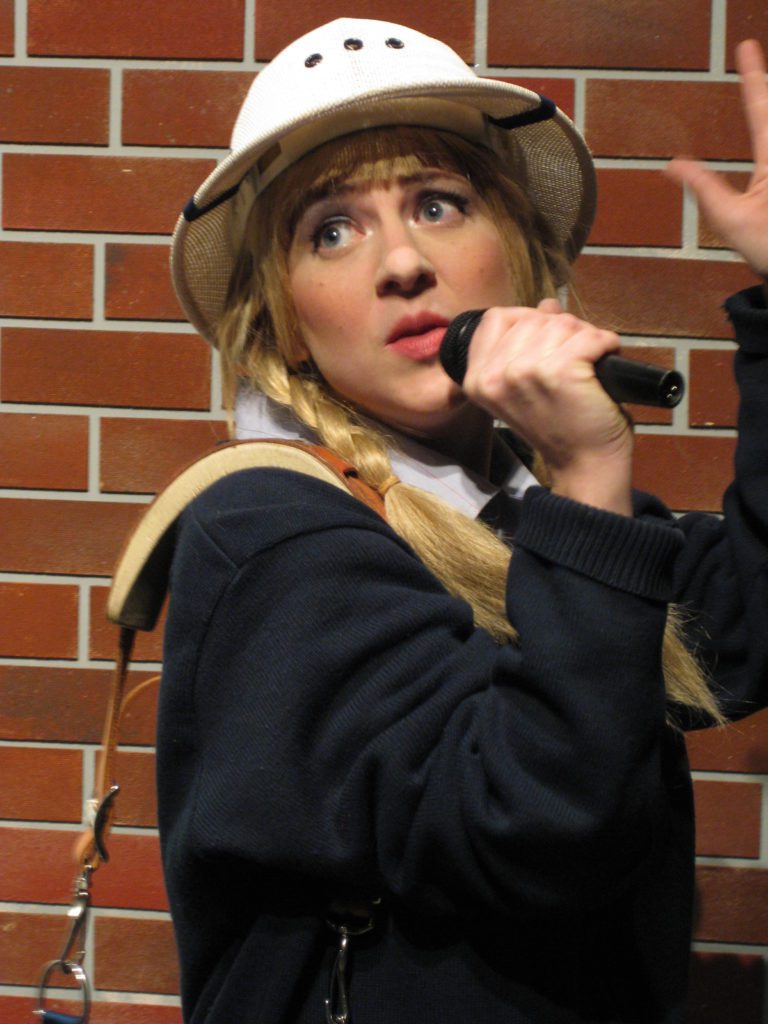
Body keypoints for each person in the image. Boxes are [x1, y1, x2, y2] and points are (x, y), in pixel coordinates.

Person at [159, 18, 768, 1024]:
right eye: (333, 230)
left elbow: (749, 608)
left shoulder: (526, 516)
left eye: (438, 205)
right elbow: (540, 829)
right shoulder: (274, 535)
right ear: (286, 325)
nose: (402, 262)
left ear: (519, 259)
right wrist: (585, 473)